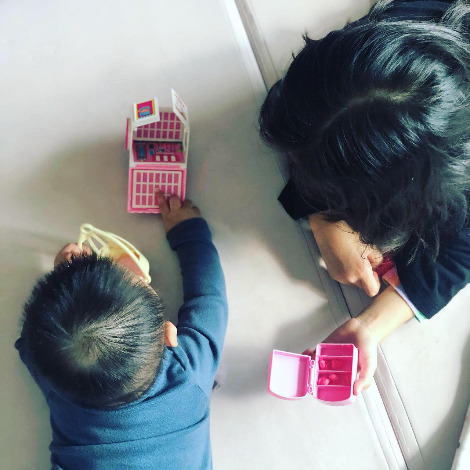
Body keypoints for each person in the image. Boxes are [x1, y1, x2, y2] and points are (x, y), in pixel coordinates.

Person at [259, 0, 470, 394]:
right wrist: (326, 225)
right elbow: (297, 117)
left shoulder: (450, 188)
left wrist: (372, 325)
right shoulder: (379, 47)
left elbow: (460, 253)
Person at [15, 192, 228, 469]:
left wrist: (63, 282)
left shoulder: (59, 381)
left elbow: (30, 344)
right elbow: (209, 299)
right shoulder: (186, 372)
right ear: (168, 335)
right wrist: (188, 231)